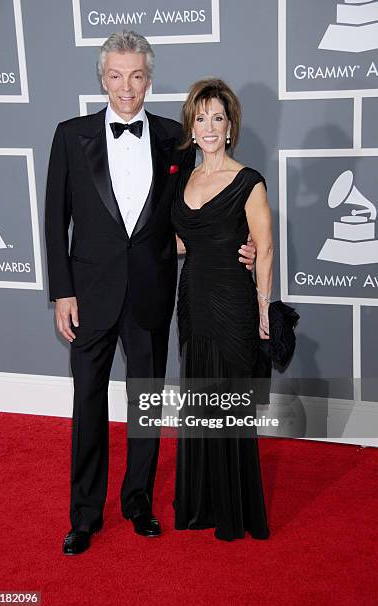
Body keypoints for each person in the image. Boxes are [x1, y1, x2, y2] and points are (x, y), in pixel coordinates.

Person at [45, 32, 256, 555]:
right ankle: (85, 514)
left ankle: (138, 501)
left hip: (151, 292)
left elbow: (206, 202)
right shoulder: (71, 136)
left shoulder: (173, 139)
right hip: (89, 296)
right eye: (115, 75)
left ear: (149, 79)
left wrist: (242, 246)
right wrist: (63, 292)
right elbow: (55, 220)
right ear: (102, 78)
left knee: (144, 403)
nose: (126, 87)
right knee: (87, 404)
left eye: (136, 75)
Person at [172, 78, 273, 541]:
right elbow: (181, 240)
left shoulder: (248, 181)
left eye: (218, 117)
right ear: (191, 126)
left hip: (231, 300)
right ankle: (201, 504)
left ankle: (233, 509)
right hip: (192, 296)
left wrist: (263, 310)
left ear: (230, 126)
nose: (209, 126)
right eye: (200, 117)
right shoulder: (186, 176)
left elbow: (265, 250)